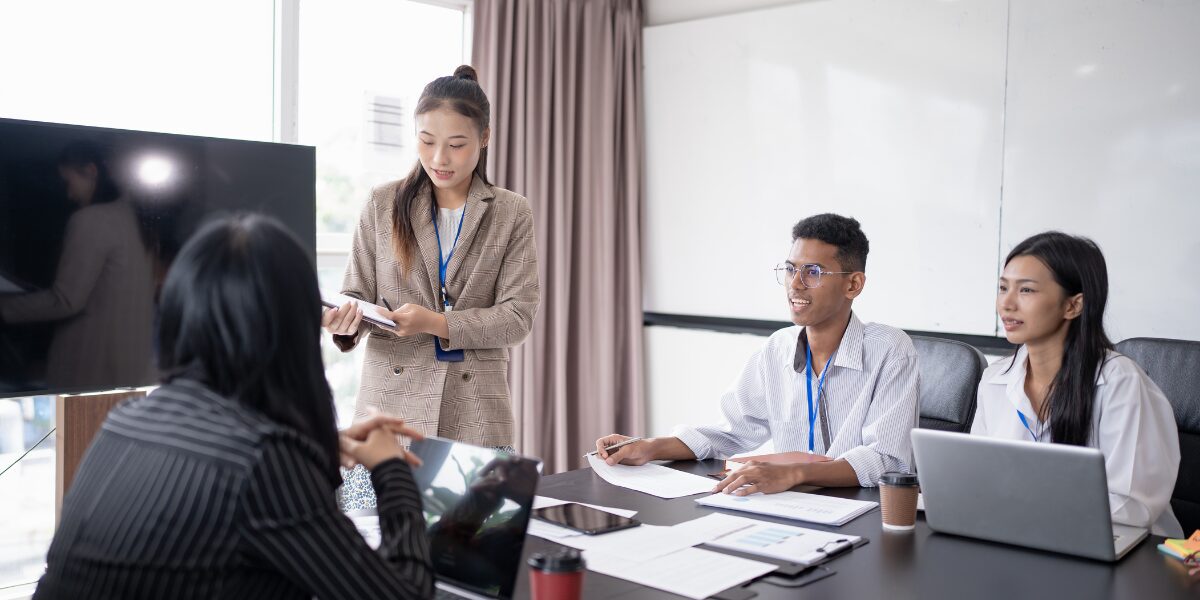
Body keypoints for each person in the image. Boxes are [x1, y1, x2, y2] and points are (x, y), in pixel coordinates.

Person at [34, 215, 435, 599]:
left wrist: (308, 451)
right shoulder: (264, 461)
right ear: (294, 325)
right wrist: (390, 469)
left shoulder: (128, 419)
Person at [322, 65, 539, 508]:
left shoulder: (511, 212)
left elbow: (517, 318)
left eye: (457, 144)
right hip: (389, 410)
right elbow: (356, 294)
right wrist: (346, 323)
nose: (440, 158)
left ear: (484, 138)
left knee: (475, 553)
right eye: (426, 141)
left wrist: (437, 323)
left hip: (476, 407)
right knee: (373, 546)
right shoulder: (383, 203)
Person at [597, 214, 919, 494]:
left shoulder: (890, 350)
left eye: (813, 272)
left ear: (853, 285)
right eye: (791, 269)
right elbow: (732, 431)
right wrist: (651, 447)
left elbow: (886, 460)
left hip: (866, 512)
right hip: (794, 505)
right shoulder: (777, 348)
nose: (795, 284)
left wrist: (792, 473)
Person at [970, 231, 1181, 537]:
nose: (1007, 304)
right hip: (1030, 538)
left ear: (1073, 305)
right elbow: (978, 476)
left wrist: (1025, 505)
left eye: (1026, 290)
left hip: (1129, 555)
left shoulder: (1119, 383)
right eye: (1003, 288)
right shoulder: (995, 380)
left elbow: (1131, 508)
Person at [0, 140, 155, 390]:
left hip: (91, 369)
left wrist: (5, 308)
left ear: (91, 171)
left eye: (68, 182)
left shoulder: (90, 220)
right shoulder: (133, 217)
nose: (68, 194)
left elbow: (66, 300)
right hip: (130, 369)